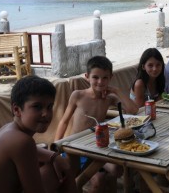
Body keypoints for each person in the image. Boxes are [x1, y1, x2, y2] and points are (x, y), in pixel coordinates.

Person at [0, 76, 77, 193]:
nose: (45, 113)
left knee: (57, 164)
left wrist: (54, 157)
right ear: (16, 109)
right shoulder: (22, 141)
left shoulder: (8, 129)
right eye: (37, 107)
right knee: (58, 171)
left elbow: (30, 150)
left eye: (49, 107)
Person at [55, 56, 138, 193]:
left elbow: (133, 110)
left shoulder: (109, 98)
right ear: (87, 77)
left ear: (111, 77)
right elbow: (64, 121)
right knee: (96, 181)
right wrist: (56, 146)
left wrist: (116, 91)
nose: (100, 82)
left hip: (98, 147)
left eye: (105, 78)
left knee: (117, 169)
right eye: (96, 77)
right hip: (77, 149)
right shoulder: (78, 95)